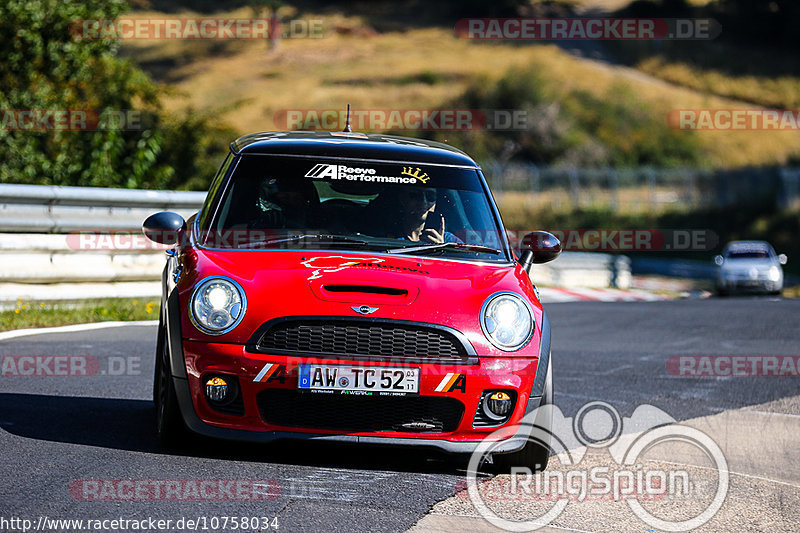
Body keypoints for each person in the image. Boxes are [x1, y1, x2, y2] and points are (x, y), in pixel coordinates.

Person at [369, 186, 461, 244]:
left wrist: (442, 250)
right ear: (402, 199)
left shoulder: (449, 241)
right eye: (415, 195)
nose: (424, 202)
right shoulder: (382, 237)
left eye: (430, 196)